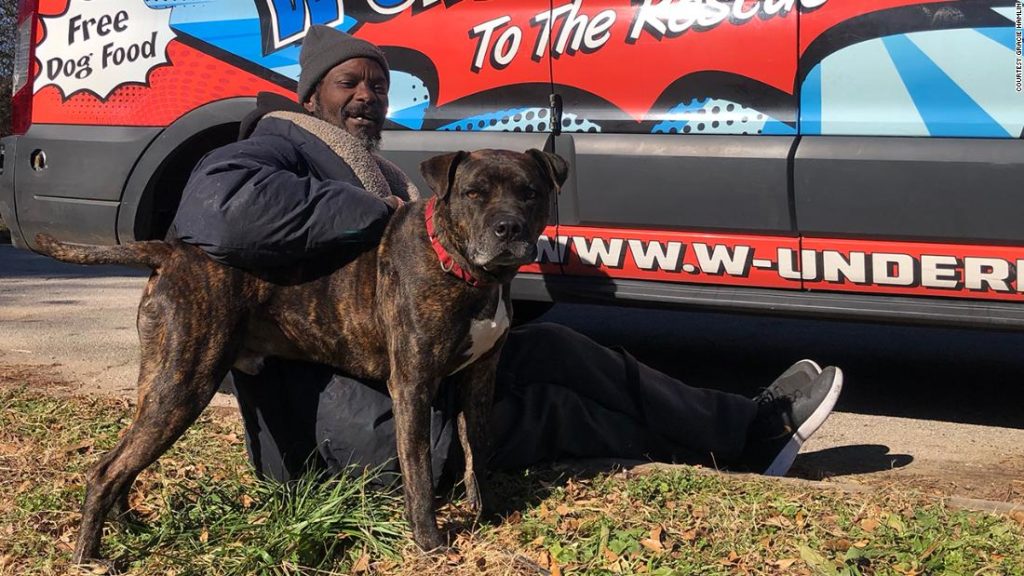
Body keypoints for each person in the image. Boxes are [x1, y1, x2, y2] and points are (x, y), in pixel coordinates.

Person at [171, 25, 843, 488]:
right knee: (554, 412)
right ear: (311, 93)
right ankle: (719, 450)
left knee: (562, 351)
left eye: (378, 85)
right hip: (351, 429)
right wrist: (382, 215)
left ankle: (748, 428)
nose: (368, 95)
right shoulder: (278, 143)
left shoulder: (374, 165)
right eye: (350, 82)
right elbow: (215, 211)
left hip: (421, 372)